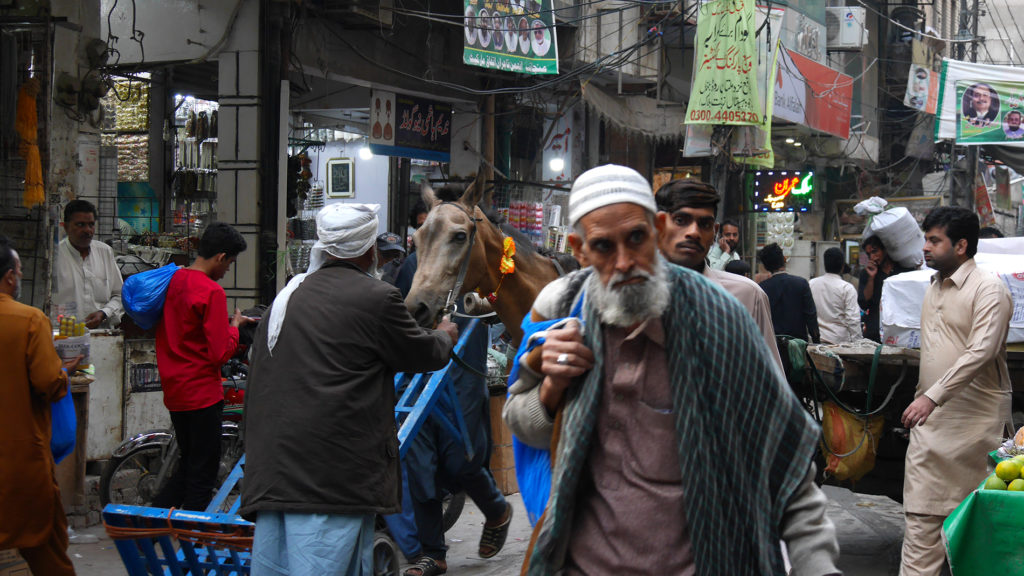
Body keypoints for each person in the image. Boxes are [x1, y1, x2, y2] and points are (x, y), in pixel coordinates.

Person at [503, 165, 840, 575]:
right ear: (579, 249)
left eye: (636, 238)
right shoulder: (560, 310)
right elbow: (526, 426)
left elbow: (786, 465)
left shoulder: (720, 319)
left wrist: (816, 566)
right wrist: (552, 387)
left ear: (658, 229)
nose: (625, 262)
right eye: (604, 247)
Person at [240, 204, 458, 576]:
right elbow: (423, 353)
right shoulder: (376, 298)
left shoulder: (288, 296)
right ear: (369, 250)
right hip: (330, 477)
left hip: (274, 470)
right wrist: (445, 335)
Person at [394, 197, 514, 576]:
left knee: (460, 456)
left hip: (461, 367)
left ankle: (496, 508)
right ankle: (433, 552)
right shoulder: (408, 267)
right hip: (419, 369)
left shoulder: (478, 260)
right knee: (419, 460)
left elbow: (500, 301)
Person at [900, 206, 1013, 576]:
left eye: (935, 241)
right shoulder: (933, 286)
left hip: (973, 431)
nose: (926, 249)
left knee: (978, 538)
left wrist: (932, 396)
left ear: (961, 245)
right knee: (920, 521)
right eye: (926, 240)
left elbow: (980, 352)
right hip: (930, 430)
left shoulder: (989, 289)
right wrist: (927, 398)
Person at [153, 222, 253, 511]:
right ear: (221, 257)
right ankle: (193, 535)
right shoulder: (211, 292)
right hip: (201, 393)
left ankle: (149, 521)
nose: (228, 271)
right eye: (230, 263)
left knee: (189, 464)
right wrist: (235, 327)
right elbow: (221, 353)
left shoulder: (173, 280)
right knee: (203, 471)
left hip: (175, 391)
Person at [0, 236, 79, 576]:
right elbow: (48, 382)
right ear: (9, 277)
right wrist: (63, 372)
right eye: (18, 271)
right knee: (47, 548)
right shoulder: (29, 320)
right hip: (20, 462)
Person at [653, 179, 782, 369]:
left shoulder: (747, 296)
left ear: (714, 231)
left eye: (704, 224)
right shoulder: (627, 294)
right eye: (681, 220)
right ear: (659, 225)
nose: (694, 232)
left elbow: (772, 383)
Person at [53, 199, 124, 328]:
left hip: (101, 335)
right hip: (65, 336)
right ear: (66, 227)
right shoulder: (55, 257)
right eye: (80, 224)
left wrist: (104, 313)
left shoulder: (105, 252)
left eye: (91, 225)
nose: (88, 230)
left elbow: (119, 295)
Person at [759, 243, 820, 343]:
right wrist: (816, 341)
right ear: (784, 259)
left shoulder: (762, 288)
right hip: (798, 345)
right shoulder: (801, 284)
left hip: (773, 346)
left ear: (766, 266)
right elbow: (811, 315)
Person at [858, 235, 915, 342]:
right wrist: (871, 278)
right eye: (869, 254)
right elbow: (864, 303)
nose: (872, 257)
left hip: (900, 331)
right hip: (874, 332)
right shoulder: (866, 274)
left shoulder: (904, 270)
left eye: (875, 251)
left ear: (885, 250)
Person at [809, 247, 862, 345]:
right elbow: (853, 320)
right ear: (842, 266)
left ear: (825, 264)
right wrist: (858, 344)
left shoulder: (811, 284)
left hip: (814, 343)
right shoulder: (847, 288)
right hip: (839, 344)